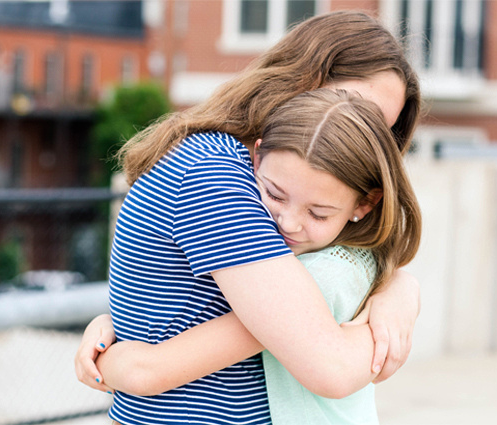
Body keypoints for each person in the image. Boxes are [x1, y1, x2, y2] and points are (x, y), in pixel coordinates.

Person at [72, 11, 423, 424]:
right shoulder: (215, 173)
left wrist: (399, 289)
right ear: (301, 77)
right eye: (350, 105)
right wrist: (401, 300)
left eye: (379, 129)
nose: (357, 134)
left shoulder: (253, 176)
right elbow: (329, 363)